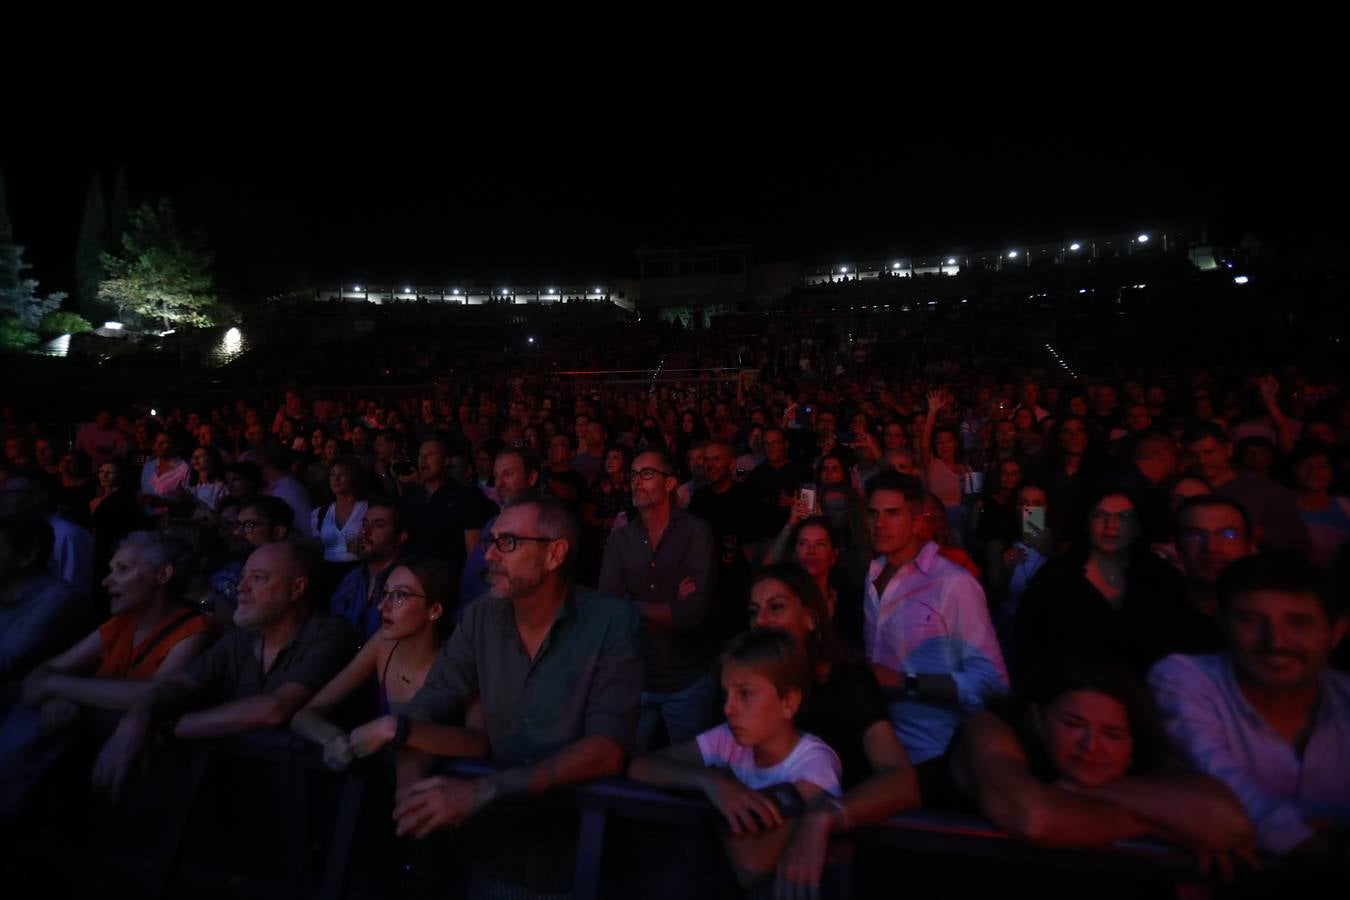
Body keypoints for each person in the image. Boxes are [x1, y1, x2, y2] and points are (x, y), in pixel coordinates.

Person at [392, 498, 641, 898]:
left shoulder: (611, 620)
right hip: (493, 843)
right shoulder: (480, 616)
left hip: (578, 842)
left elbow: (606, 748)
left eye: (507, 542)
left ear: (555, 553)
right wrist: (409, 788)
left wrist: (484, 789)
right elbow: (434, 702)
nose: (487, 553)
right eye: (490, 540)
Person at [91, 540, 356, 799]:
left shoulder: (331, 634)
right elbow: (181, 684)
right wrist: (136, 718)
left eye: (258, 578)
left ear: (297, 588)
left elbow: (275, 709)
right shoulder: (243, 636)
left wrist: (163, 731)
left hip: (308, 798)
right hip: (238, 793)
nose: (241, 587)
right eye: (243, 577)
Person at [1150, 555, 1350, 871]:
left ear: (1337, 632)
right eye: (1251, 620)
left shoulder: (1345, 696)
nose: (1276, 642)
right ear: (1223, 623)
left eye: (1298, 623)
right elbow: (1221, 781)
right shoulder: (1183, 678)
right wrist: (1321, 850)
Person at [3, 532, 214, 820]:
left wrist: (57, 688)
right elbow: (39, 678)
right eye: (111, 569)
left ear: (163, 574)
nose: (106, 581)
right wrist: (51, 697)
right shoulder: (120, 624)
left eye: (123, 569)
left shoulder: (195, 631)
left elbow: (155, 694)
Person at [949, 658, 1254, 855]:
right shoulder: (988, 728)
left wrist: (1078, 796)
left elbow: (1229, 824)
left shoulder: (1151, 759)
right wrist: (1169, 823)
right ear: (1037, 719)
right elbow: (1036, 819)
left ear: (1134, 743)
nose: (1090, 746)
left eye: (1112, 734)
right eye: (1072, 725)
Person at [744, 564, 920, 894]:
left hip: (837, 865)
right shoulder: (744, 691)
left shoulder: (848, 683)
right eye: (754, 612)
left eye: (776, 607)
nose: (761, 622)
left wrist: (823, 818)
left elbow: (901, 780)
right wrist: (712, 783)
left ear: (812, 618)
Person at [628, 629, 843, 888]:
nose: (728, 708)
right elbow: (640, 767)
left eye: (745, 694)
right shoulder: (729, 739)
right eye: (726, 694)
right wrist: (711, 782)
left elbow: (751, 864)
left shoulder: (813, 763)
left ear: (789, 702)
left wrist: (720, 801)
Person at [862, 471, 1008, 779]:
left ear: (916, 522)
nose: (879, 524)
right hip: (877, 748)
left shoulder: (952, 584)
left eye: (892, 514)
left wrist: (904, 682)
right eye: (873, 513)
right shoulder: (873, 574)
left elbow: (991, 682)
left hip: (934, 753)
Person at [292, 557, 486, 768]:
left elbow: (479, 744)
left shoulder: (460, 660)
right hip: (382, 780)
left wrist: (396, 729)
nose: (382, 606)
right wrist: (333, 739)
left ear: (435, 610)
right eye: (384, 593)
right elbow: (304, 715)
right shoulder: (382, 646)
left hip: (437, 787)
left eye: (400, 596)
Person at [599, 448, 717, 751]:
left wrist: (631, 604)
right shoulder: (620, 539)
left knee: (688, 775)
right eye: (634, 475)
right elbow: (609, 611)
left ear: (669, 483)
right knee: (631, 771)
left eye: (647, 474)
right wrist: (667, 608)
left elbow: (691, 615)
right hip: (635, 679)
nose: (637, 481)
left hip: (686, 679)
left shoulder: (695, 532)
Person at [1016, 488, 1189, 677]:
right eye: (1100, 516)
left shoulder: (1161, 578)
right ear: (1086, 523)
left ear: (1137, 528)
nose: (1111, 525)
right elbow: (1029, 639)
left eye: (1124, 517)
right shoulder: (1056, 576)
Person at [1185, 422, 1311, 557]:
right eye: (1193, 455)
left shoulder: (1265, 489)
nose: (1202, 460)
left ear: (1228, 449)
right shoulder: (1184, 488)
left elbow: (1298, 542)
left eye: (1209, 452)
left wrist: (1257, 533)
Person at [460, 448, 540, 613]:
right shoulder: (493, 523)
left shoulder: (545, 524)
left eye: (508, 474)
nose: (499, 484)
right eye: (496, 476)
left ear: (532, 478)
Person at [329, 500, 410, 641]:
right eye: (364, 524)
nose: (365, 531)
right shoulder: (351, 579)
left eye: (378, 525)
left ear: (400, 538)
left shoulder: (408, 584)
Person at [1290, 442, 1350, 566]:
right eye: (1305, 466)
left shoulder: (1347, 507)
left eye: (1322, 466)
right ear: (1294, 470)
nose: (1313, 472)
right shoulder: (1279, 507)